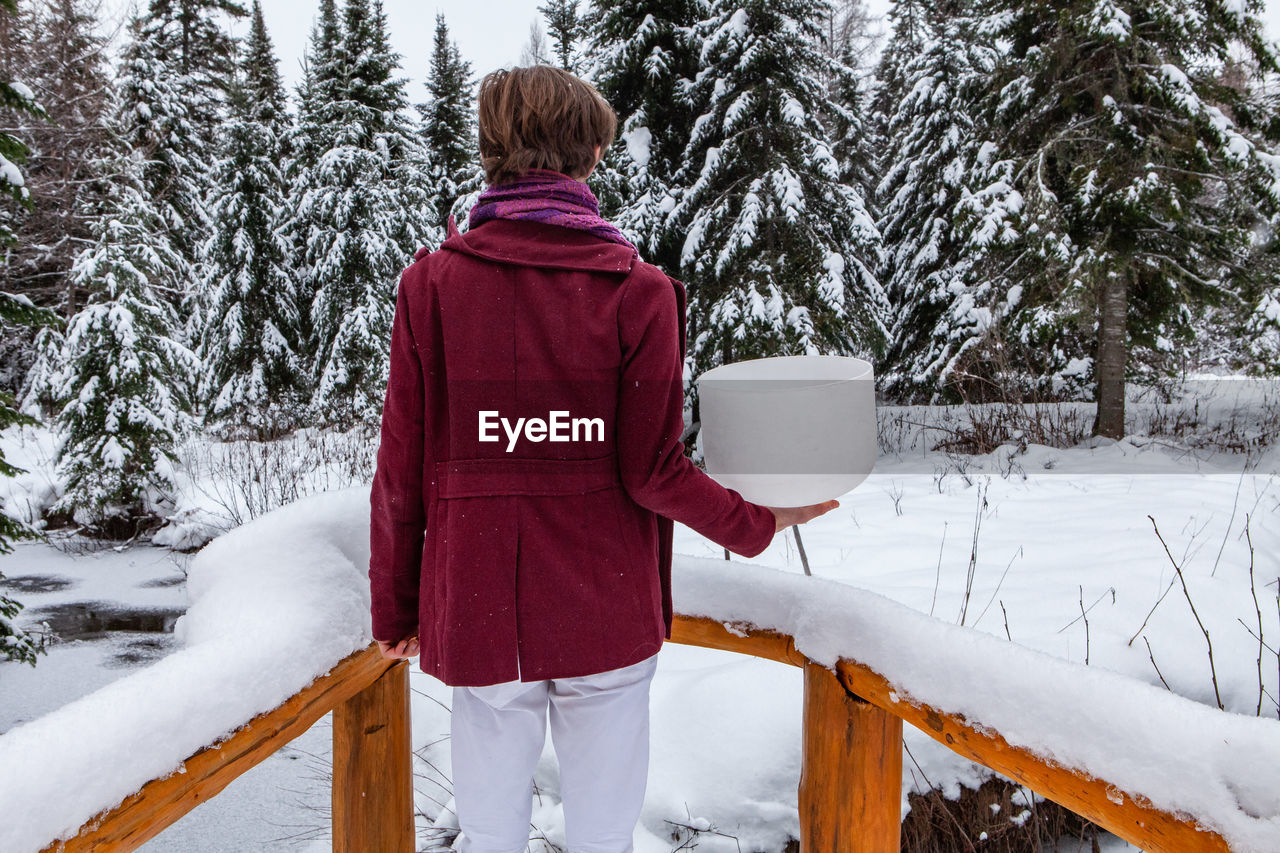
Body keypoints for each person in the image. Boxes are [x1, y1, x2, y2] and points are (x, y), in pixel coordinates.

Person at [368, 65, 839, 853]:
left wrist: (396, 606)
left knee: (489, 834)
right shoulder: (640, 292)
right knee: (601, 837)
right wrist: (755, 521)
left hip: (481, 606)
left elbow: (401, 466)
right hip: (605, 603)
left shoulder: (432, 286)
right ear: (589, 155)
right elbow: (652, 469)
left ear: (491, 152)